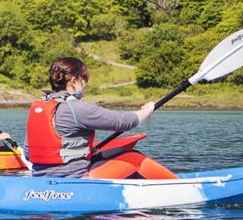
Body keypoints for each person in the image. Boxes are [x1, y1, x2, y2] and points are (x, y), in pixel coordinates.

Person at [25, 57, 174, 179]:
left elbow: (27, 152)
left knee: (107, 154)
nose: (84, 87)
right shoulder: (77, 108)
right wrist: (148, 110)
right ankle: (179, 186)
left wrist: (80, 150)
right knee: (133, 157)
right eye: (84, 81)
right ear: (74, 81)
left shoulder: (38, 108)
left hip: (40, 179)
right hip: (75, 181)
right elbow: (123, 122)